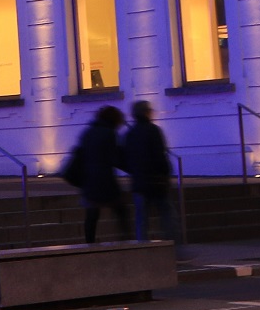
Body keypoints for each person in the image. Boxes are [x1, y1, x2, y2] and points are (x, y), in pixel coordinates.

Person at [63, 105, 128, 244]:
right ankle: (127, 242)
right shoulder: (110, 134)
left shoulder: (88, 132)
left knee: (92, 214)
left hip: (89, 180)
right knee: (121, 211)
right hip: (105, 180)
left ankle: (90, 244)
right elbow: (115, 158)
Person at [122, 101, 177, 243]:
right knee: (167, 214)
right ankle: (173, 248)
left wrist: (134, 170)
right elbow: (160, 155)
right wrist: (166, 172)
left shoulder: (130, 134)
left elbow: (124, 157)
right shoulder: (153, 130)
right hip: (156, 180)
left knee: (141, 218)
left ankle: (143, 249)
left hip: (139, 181)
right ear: (147, 112)